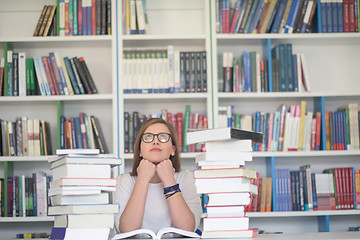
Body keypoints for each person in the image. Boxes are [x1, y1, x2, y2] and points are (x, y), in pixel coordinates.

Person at [113, 118, 202, 234]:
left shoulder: (187, 179)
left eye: (163, 137)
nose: (155, 142)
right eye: (148, 137)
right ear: (140, 150)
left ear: (173, 150)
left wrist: (169, 179)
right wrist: (143, 179)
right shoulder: (124, 181)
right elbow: (126, 231)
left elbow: (187, 229)